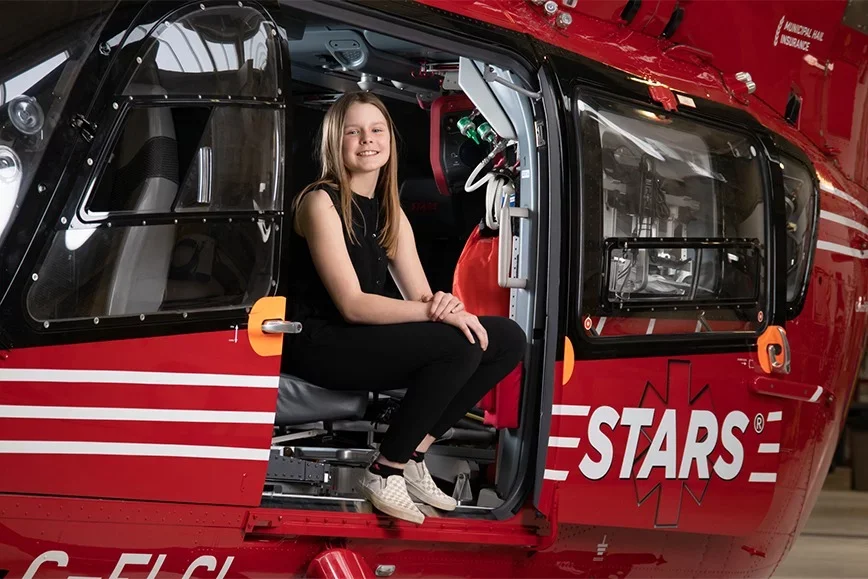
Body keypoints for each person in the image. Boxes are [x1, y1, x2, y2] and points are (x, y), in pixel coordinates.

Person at [282, 91, 526, 525]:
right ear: (334, 141)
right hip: (316, 342)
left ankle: (412, 455)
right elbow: (353, 305)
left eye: (376, 130)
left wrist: (444, 304)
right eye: (353, 132)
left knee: (505, 339)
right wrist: (438, 313)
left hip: (358, 340)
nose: (366, 141)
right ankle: (384, 470)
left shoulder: (389, 211)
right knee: (457, 344)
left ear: (390, 141)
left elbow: (419, 297)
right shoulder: (320, 201)